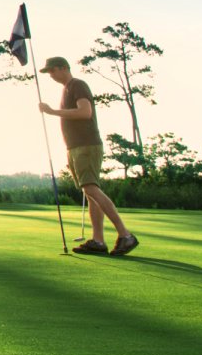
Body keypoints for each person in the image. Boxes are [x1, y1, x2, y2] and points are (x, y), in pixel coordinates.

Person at [38, 56, 139, 256]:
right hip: (76, 147)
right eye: (49, 72)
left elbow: (85, 112)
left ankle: (125, 235)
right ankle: (98, 241)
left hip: (87, 145)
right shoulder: (66, 89)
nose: (50, 75)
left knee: (91, 189)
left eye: (52, 71)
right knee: (89, 193)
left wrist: (52, 112)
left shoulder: (78, 85)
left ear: (64, 68)